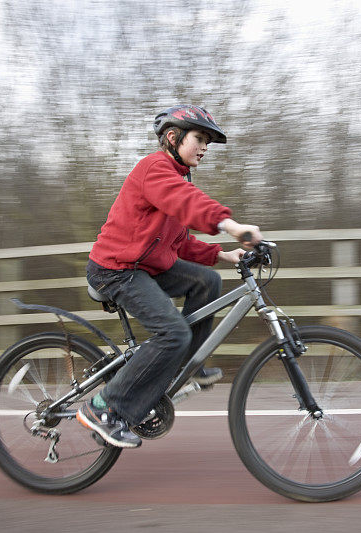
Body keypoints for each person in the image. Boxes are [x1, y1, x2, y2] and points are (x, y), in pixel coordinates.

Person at [76, 105, 263, 448]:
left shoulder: (177, 178)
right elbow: (186, 202)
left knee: (208, 282)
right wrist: (232, 226)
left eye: (208, 141)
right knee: (172, 333)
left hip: (146, 267)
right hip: (115, 270)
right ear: (173, 138)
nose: (205, 147)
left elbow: (178, 242)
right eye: (199, 139)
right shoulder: (155, 169)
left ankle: (182, 365)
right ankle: (105, 407)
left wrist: (220, 254)